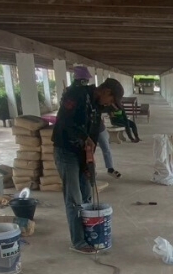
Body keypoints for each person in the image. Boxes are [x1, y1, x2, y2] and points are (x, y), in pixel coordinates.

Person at [53, 75, 124, 254]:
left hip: (83, 153)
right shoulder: (76, 94)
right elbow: (65, 121)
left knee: (87, 195)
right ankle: (78, 242)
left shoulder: (97, 106)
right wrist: (84, 138)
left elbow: (93, 134)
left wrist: (88, 162)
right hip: (66, 151)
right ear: (106, 91)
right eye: (111, 100)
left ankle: (90, 235)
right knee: (74, 199)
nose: (109, 104)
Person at [72, 66, 122, 178]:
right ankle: (90, 169)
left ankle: (109, 168)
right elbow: (72, 122)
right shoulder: (81, 97)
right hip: (87, 132)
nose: (84, 83)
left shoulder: (97, 100)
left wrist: (113, 107)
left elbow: (111, 109)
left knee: (105, 148)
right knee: (89, 150)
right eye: (83, 80)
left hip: (99, 128)